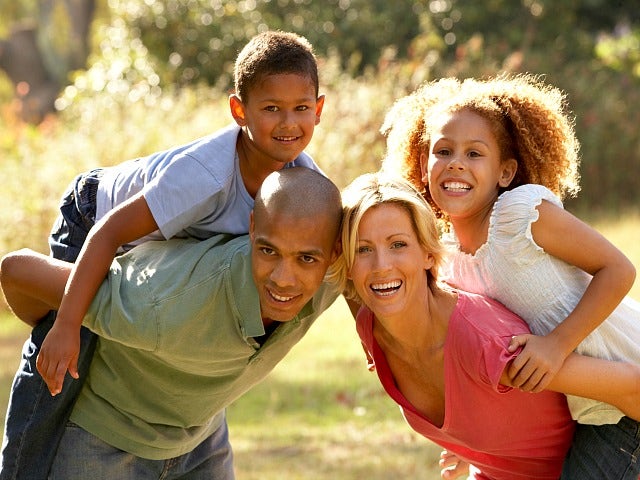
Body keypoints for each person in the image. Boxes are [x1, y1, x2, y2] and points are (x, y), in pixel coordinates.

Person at [0, 30, 325, 479]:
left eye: (301, 109)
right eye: (271, 109)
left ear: (319, 109)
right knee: (65, 357)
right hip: (95, 216)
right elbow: (109, 232)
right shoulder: (206, 177)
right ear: (239, 110)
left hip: (165, 244)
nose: (289, 123)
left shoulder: (300, 180)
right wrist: (68, 325)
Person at [0, 167, 343, 479]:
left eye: (306, 259)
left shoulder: (340, 271)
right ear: (253, 229)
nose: (284, 279)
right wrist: (59, 327)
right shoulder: (160, 304)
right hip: (105, 446)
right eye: (269, 251)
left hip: (201, 438)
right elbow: (16, 271)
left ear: (336, 253)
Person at [380, 74, 640, 479]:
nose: (456, 163)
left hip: (628, 382)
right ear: (423, 165)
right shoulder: (447, 260)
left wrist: (557, 344)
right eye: (443, 150)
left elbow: (619, 269)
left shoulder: (519, 215)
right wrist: (472, 446)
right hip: (593, 407)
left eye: (474, 153)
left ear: (505, 171)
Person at [334, 171, 640, 480]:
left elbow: (633, 385)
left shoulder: (486, 344)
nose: (381, 265)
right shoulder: (372, 329)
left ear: (428, 253)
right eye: (363, 249)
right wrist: (470, 444)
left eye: (398, 244)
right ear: (346, 262)